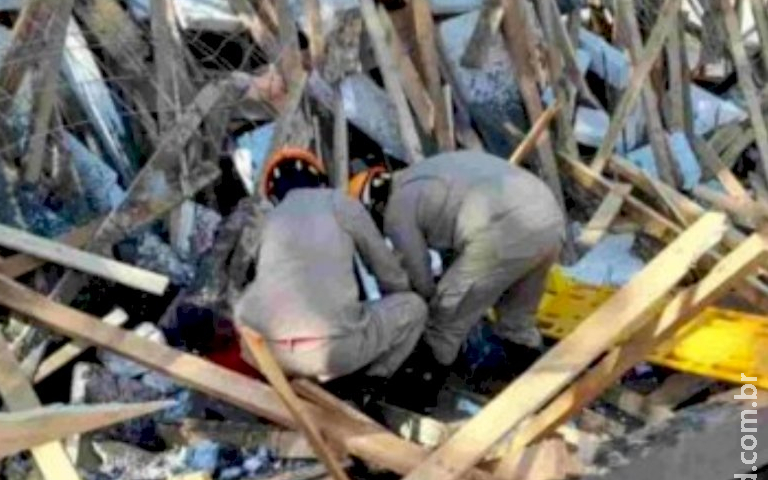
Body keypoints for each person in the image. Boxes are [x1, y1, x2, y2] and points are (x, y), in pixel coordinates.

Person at [349, 150, 565, 372]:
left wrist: (427, 302)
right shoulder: (423, 173)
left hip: (505, 230)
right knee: (517, 321)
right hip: (549, 219)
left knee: (444, 321)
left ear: (373, 206)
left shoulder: (397, 207)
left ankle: (418, 390)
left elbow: (417, 272)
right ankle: (541, 384)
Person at [234, 147, 428, 382]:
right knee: (415, 308)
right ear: (320, 178)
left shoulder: (267, 223)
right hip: (336, 352)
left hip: (275, 357)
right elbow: (386, 270)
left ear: (274, 194)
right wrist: (398, 299)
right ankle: (372, 382)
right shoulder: (339, 203)